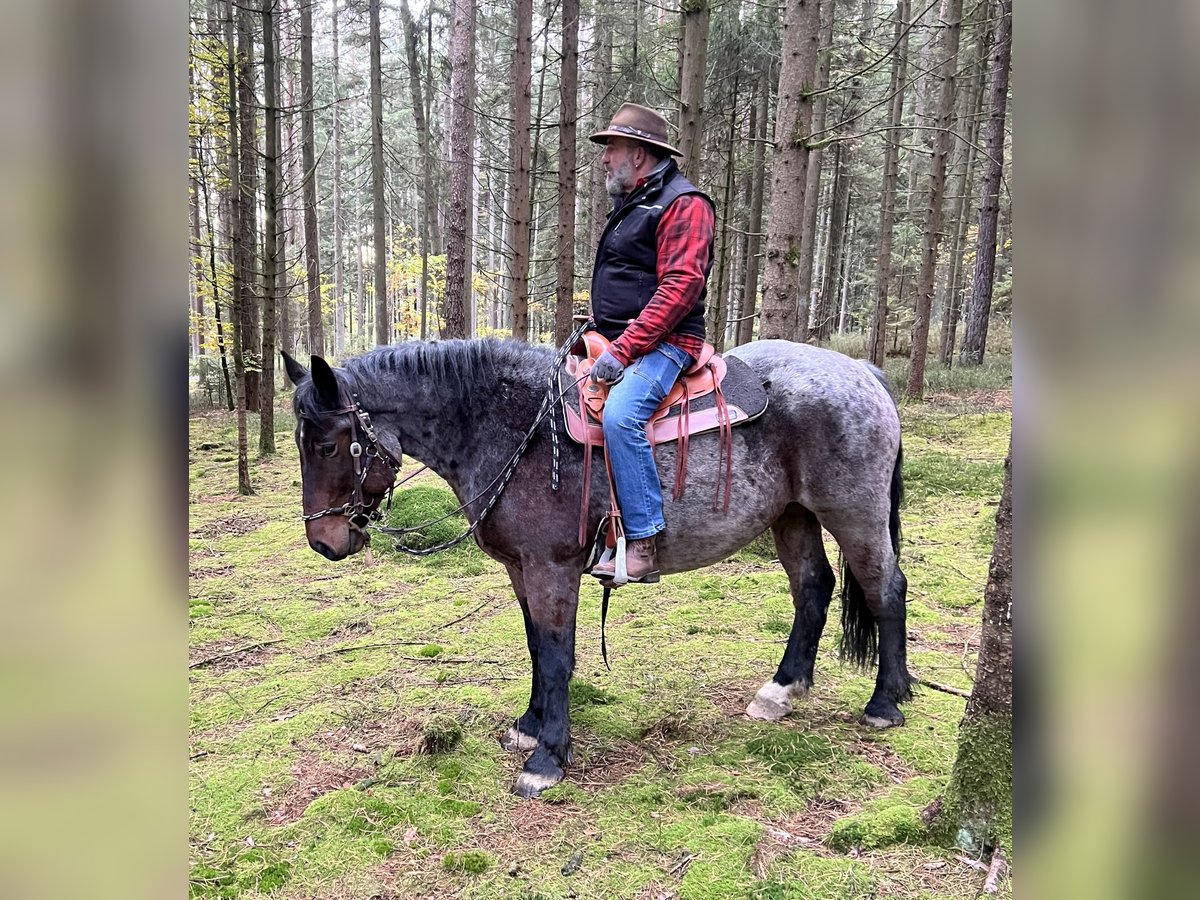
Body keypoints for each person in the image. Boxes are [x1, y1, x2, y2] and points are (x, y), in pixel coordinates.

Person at [585, 102, 716, 584]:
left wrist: (623, 349)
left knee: (621, 415)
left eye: (612, 148)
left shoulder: (685, 203)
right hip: (619, 336)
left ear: (638, 154)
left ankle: (642, 542)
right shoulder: (635, 202)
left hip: (667, 342)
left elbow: (681, 287)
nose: (605, 158)